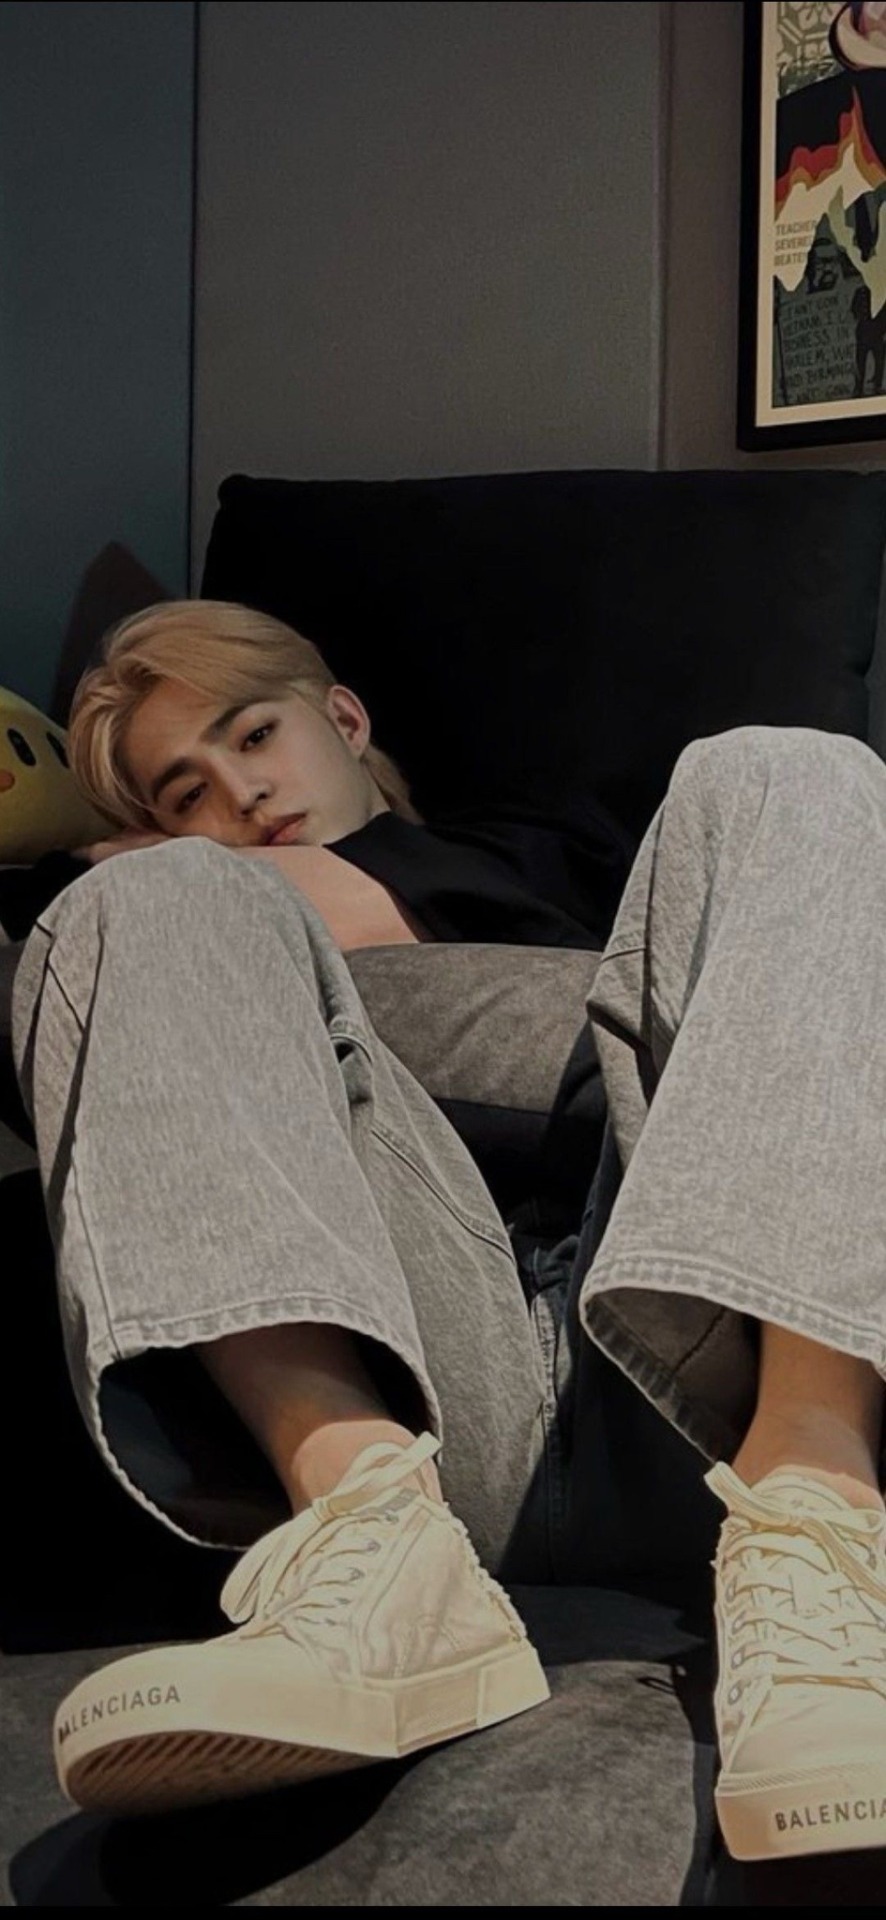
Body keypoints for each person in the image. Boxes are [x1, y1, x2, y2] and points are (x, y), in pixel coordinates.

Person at [12, 597, 886, 1868]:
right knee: (142, 910)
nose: (242, 795)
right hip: (418, 1386)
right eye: (185, 793)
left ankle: (815, 1519)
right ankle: (372, 1550)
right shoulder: (185, 898)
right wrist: (132, 879)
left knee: (784, 769)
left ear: (344, 718)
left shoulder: (559, 847)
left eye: (254, 735)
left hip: (699, 1343)